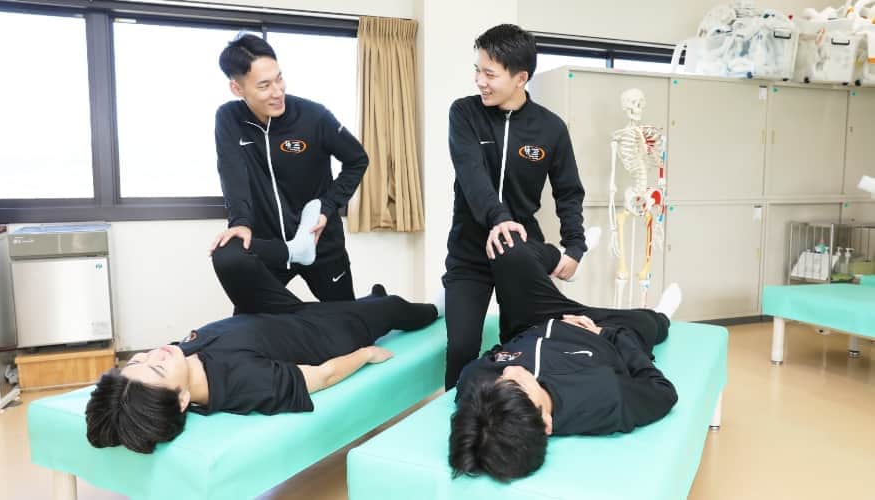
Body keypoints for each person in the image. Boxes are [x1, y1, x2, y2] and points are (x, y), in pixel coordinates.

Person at [85, 239, 439, 454]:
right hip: (323, 332)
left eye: (140, 359)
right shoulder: (244, 382)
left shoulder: (179, 360)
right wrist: (366, 354)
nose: (155, 353)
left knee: (228, 255)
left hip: (273, 315)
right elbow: (323, 376)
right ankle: (435, 309)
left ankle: (310, 259)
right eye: (157, 367)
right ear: (181, 400)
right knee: (391, 307)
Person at [448, 233, 681, 482]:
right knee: (648, 324)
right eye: (518, 384)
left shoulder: (475, 387)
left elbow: (493, 358)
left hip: (532, 321)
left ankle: (562, 259)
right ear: (546, 423)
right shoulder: (604, 397)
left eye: (499, 382)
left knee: (506, 246)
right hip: (596, 328)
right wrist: (605, 334)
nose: (509, 371)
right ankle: (661, 315)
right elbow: (663, 391)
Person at [443, 24, 591, 389]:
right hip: (470, 252)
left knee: (522, 344)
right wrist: (498, 218)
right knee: (461, 347)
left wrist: (575, 246)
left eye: (489, 74)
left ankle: (512, 414)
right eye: (477, 70)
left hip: (520, 252)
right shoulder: (464, 113)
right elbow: (472, 175)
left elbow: (568, 192)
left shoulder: (550, 128)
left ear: (520, 78)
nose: (479, 81)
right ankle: (457, 413)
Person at [210, 33, 368, 303]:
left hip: (319, 242)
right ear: (237, 89)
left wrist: (327, 207)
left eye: (279, 78)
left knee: (346, 318)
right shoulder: (229, 118)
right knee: (252, 320)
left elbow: (357, 159)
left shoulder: (314, 116)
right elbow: (232, 173)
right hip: (272, 248)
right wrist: (240, 223)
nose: (277, 91)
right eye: (264, 85)